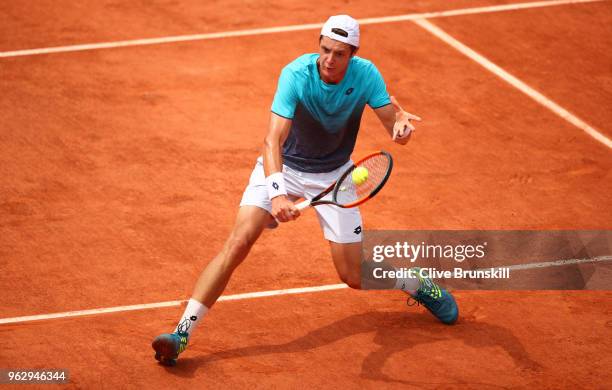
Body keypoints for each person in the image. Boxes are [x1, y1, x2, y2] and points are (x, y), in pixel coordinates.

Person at [152, 15, 458, 366]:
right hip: (285, 166)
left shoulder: (367, 74)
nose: (330, 59)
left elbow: (394, 127)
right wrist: (279, 193)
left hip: (335, 178)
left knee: (354, 275)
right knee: (238, 242)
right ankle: (181, 334)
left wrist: (402, 129)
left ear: (353, 53)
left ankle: (418, 285)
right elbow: (272, 140)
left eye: (340, 54)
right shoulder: (296, 74)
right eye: (325, 50)